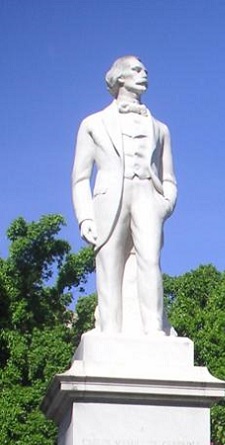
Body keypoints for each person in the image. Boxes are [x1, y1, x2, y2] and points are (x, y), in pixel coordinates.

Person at [71, 55, 177, 337]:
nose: (145, 73)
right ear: (120, 78)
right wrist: (85, 218)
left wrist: (166, 203)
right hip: (109, 199)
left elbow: (169, 177)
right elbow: (80, 178)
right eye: (137, 69)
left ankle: (154, 329)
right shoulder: (93, 123)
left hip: (147, 196)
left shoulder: (160, 128)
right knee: (109, 263)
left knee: (150, 261)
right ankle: (110, 331)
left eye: (145, 70)